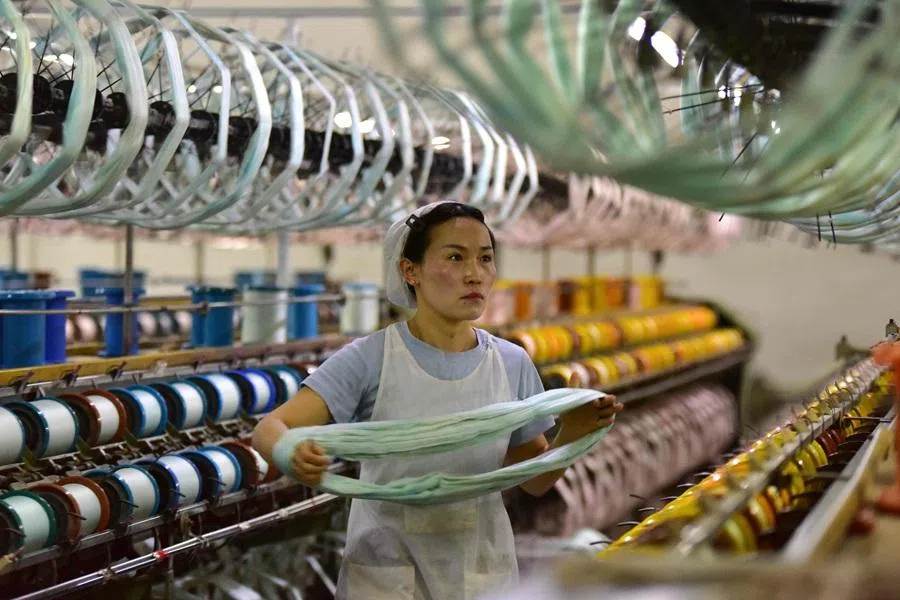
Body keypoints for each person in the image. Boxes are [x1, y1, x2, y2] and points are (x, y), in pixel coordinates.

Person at [252, 201, 621, 600]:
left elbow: (533, 480)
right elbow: (270, 429)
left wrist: (573, 435)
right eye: (455, 257)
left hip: (481, 570)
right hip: (386, 572)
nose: (474, 274)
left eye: (485, 259)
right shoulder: (372, 357)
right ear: (411, 271)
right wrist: (289, 451)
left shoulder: (510, 362)